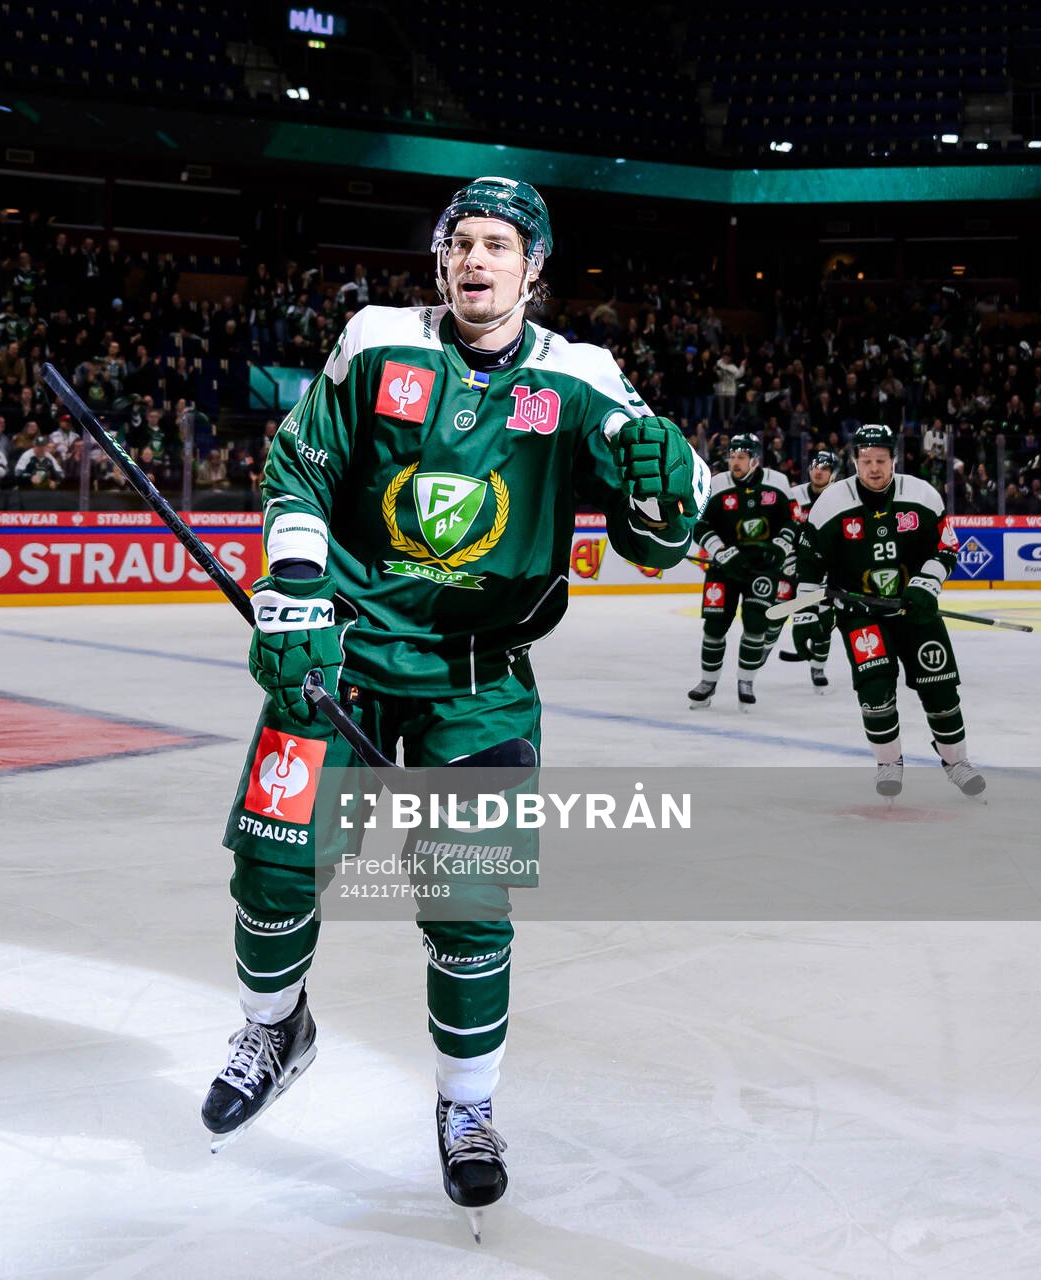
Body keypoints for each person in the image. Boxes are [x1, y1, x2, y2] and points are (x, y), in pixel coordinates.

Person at [202, 178, 707, 1232]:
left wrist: (672, 483)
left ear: (535, 268)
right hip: (337, 652)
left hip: (479, 684)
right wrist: (293, 593)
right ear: (441, 263)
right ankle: (272, 1027)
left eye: (500, 245)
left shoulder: (582, 377)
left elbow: (656, 527)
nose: (478, 260)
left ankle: (467, 1109)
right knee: (273, 859)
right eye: (461, 243)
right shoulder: (378, 341)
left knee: (466, 905)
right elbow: (301, 463)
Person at [796, 424, 983, 797]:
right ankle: (888, 762)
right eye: (866, 461)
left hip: (914, 610)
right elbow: (810, 566)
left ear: (894, 459)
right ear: (854, 461)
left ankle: (955, 760)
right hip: (860, 612)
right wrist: (807, 614)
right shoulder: (831, 503)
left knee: (941, 687)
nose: (874, 468)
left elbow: (946, 549)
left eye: (881, 460)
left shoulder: (923, 495)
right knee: (875, 688)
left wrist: (925, 586)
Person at [686, 433, 798, 710]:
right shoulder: (716, 484)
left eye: (741, 457)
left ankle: (745, 682)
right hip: (725, 567)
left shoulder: (778, 483)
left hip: (763, 568)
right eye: (732, 456)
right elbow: (698, 525)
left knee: (756, 626)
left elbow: (794, 520)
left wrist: (780, 548)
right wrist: (722, 552)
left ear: (756, 460)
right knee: (713, 627)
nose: (735, 461)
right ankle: (707, 682)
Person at [777, 448, 840, 689]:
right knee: (776, 611)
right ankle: (760, 652)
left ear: (833, 474)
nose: (818, 471)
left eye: (824, 468)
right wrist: (789, 561)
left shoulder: (840, 499)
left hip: (824, 571)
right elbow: (784, 529)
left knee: (824, 620)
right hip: (792, 569)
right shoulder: (794, 495)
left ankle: (818, 668)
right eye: (815, 466)